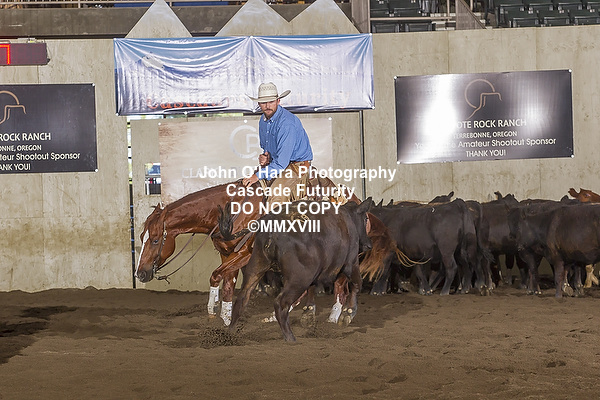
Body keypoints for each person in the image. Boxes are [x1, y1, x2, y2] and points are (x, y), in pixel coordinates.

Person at [242, 82, 313, 206]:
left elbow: (281, 163)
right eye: (263, 102)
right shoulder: (263, 121)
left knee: (276, 197)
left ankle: (275, 219)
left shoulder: (286, 123)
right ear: (259, 104)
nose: (267, 106)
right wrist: (266, 157)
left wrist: (257, 176)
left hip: (297, 166)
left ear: (278, 101)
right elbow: (267, 149)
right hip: (278, 163)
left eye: (271, 101)